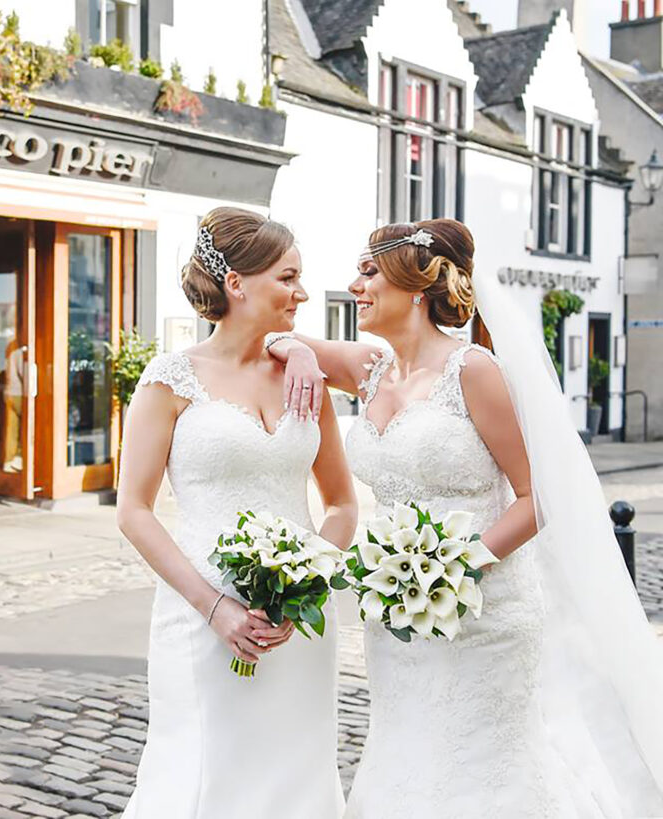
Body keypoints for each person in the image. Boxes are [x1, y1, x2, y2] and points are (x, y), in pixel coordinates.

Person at [269, 218, 663, 817]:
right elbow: (267, 336)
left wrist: (455, 568)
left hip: (485, 612)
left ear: (417, 284)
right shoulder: (371, 369)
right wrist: (294, 348)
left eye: (369, 271)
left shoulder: (473, 371)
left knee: (481, 769)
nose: (354, 286)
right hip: (396, 618)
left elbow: (538, 498)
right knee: (407, 756)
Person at [116, 207, 356, 817]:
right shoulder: (171, 380)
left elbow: (341, 503)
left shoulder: (307, 379)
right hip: (206, 616)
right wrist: (215, 606)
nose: (301, 292)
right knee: (204, 774)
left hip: (297, 623)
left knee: (295, 775)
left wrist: (308, 579)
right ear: (237, 282)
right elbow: (134, 511)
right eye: (288, 277)